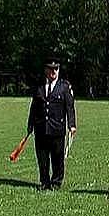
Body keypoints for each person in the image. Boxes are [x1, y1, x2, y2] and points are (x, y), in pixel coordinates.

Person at [27, 58, 76, 190]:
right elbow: (34, 107)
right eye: (50, 69)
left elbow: (69, 107)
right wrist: (30, 125)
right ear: (46, 70)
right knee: (42, 158)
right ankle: (44, 182)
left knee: (57, 158)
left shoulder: (64, 87)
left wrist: (72, 124)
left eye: (56, 69)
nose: (53, 72)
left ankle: (56, 182)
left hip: (57, 129)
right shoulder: (39, 86)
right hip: (41, 128)